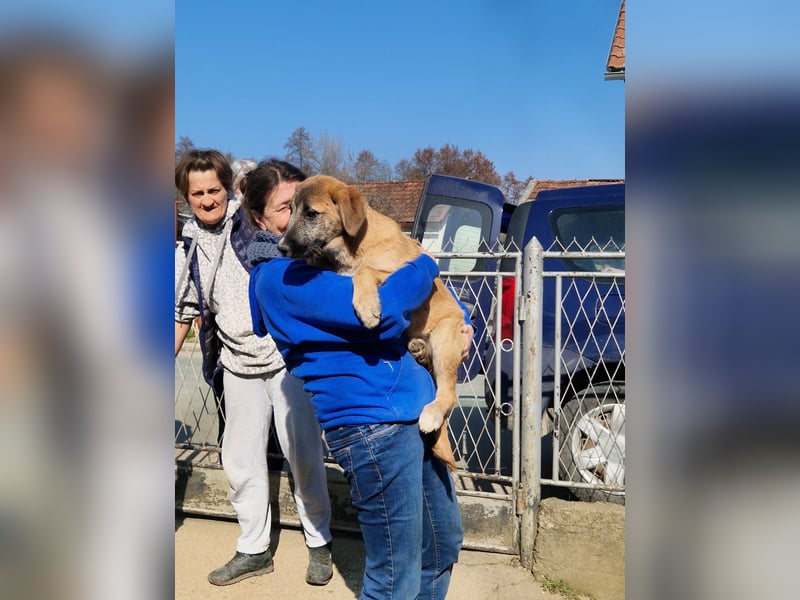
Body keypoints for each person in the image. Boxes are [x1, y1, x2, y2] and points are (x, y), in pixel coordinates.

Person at [248, 223, 474, 598]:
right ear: (258, 217)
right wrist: (426, 264)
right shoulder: (279, 276)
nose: (296, 223)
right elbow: (383, 312)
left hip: (414, 413)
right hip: (374, 425)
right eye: (285, 209)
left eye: (305, 211)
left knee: (440, 547)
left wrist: (461, 325)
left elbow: (430, 302)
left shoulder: (332, 262)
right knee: (394, 575)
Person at [174, 149, 333, 587]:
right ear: (186, 198)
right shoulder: (188, 244)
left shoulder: (250, 226)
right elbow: (183, 311)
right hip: (236, 364)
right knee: (240, 461)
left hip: (285, 363)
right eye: (197, 193)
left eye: (214, 190)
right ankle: (253, 548)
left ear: (229, 190)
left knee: (303, 456)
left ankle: (319, 541)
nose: (208, 200)